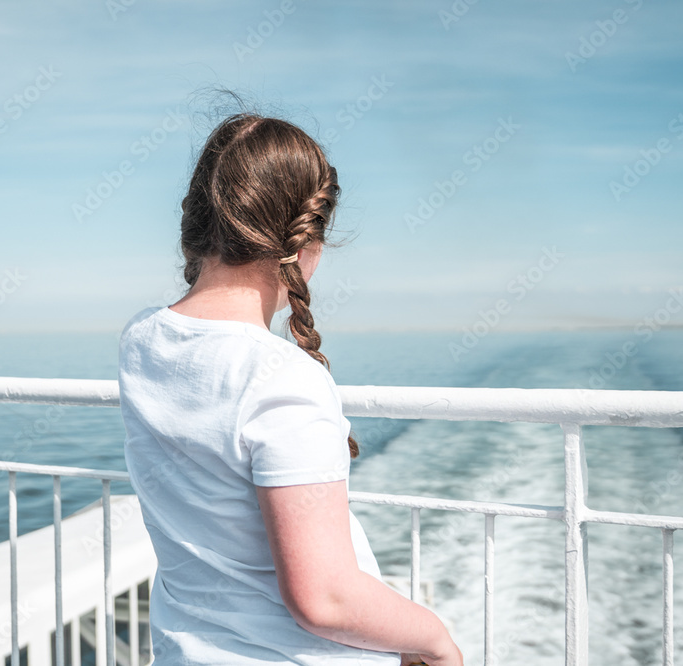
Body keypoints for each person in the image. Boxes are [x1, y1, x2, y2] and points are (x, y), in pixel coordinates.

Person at [118, 107, 463, 666]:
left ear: (198, 226)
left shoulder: (141, 340)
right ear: (307, 245)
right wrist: (432, 637)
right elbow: (323, 599)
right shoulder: (280, 379)